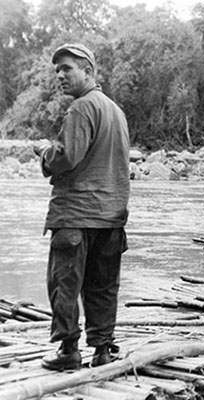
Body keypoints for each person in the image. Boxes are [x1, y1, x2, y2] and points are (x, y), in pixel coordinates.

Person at [33, 43, 130, 371]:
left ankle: (69, 351)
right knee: (103, 287)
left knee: (65, 283)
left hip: (75, 215)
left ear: (88, 71)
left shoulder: (80, 108)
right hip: (111, 217)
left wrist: (45, 151)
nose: (59, 75)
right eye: (57, 70)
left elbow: (66, 158)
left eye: (67, 68)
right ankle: (102, 350)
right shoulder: (116, 112)